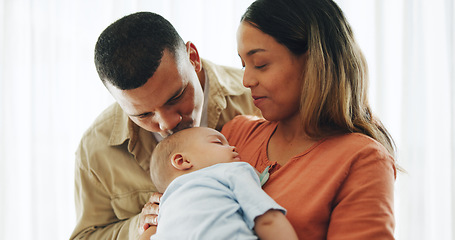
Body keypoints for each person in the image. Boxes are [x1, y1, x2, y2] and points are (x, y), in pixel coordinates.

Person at [71, 12, 260, 239]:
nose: (168, 123)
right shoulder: (96, 150)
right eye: (143, 114)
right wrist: (137, 226)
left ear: (193, 58)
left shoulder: (256, 99)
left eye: (176, 97)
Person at [221, 0, 398, 239]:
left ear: (315, 60)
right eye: (244, 65)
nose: (247, 81)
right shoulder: (234, 136)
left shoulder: (362, 160)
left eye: (260, 64)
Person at [142, 127, 298, 240]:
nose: (233, 147)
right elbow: (268, 219)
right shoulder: (230, 170)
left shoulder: (165, 205)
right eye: (218, 142)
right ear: (183, 161)